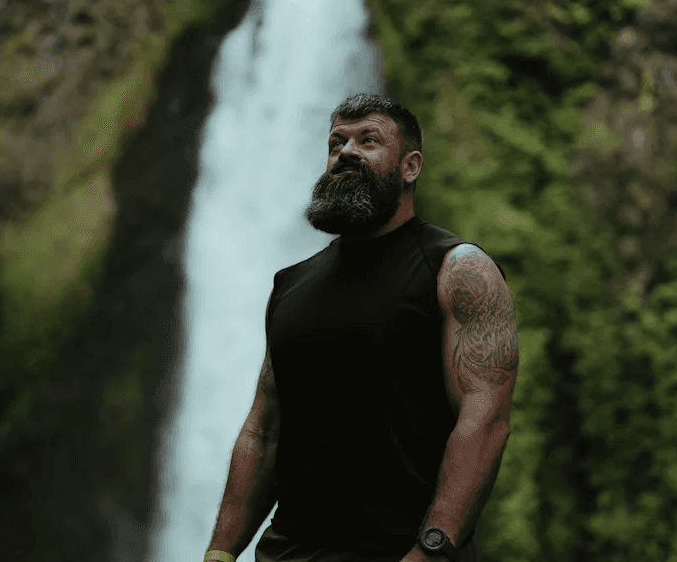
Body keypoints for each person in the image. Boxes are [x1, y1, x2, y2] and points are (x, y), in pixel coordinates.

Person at [204, 94, 519, 562]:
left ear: (410, 167)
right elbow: (264, 429)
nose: (346, 152)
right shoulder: (290, 285)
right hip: (286, 553)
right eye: (336, 143)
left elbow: (486, 420)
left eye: (368, 140)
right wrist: (219, 553)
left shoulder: (457, 270)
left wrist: (432, 549)